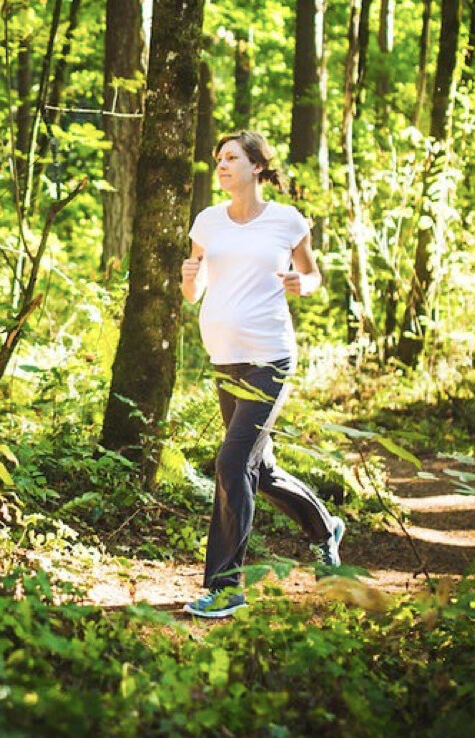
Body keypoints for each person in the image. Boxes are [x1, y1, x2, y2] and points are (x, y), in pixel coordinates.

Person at [178, 131, 345, 618]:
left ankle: (225, 586)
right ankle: (324, 528)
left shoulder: (286, 220)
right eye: (218, 158)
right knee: (259, 468)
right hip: (224, 357)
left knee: (232, 462)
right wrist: (188, 281)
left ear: (256, 166)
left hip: (270, 357)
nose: (222, 164)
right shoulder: (207, 221)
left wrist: (302, 284)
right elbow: (194, 291)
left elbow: (313, 276)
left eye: (232, 157)